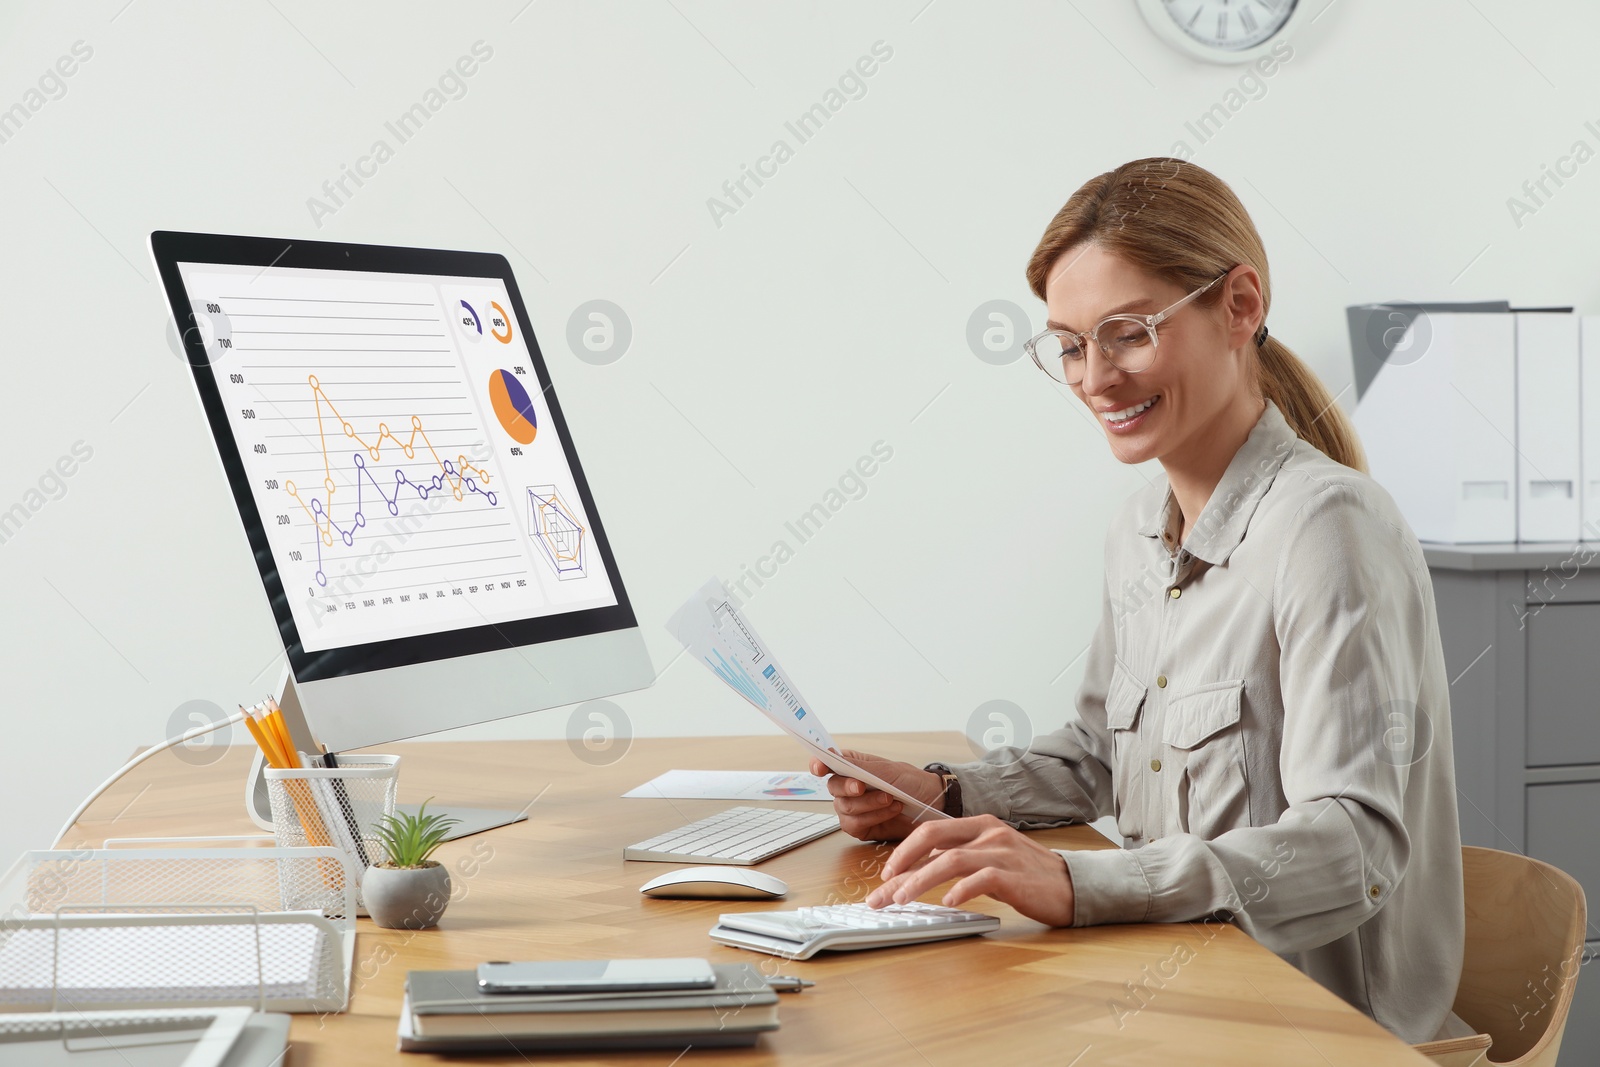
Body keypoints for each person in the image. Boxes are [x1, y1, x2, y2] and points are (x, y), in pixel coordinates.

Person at [812, 157, 1466, 1044]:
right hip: (1181, 990)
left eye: (1127, 333)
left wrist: (1082, 884)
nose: (1095, 378)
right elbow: (1102, 759)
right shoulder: (1137, 532)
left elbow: (1354, 849)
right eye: (1072, 345)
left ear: (1240, 305)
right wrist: (941, 792)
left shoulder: (1328, 527)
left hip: (1316, 1031)